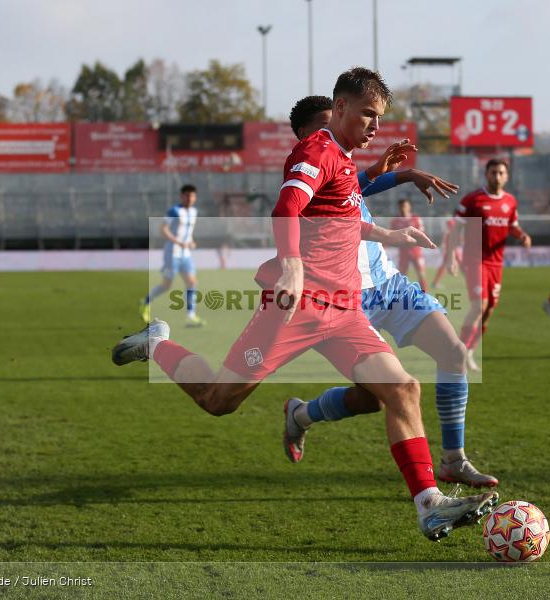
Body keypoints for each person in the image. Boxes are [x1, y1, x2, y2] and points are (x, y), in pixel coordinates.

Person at [112, 68, 497, 541]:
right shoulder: (316, 150)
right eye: (368, 116)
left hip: (343, 308)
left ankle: (429, 504)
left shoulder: (343, 158)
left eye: (379, 118)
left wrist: (387, 233)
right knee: (217, 401)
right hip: (294, 307)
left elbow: (338, 219)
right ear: (339, 110)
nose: (375, 127)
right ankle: (157, 345)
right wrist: (292, 265)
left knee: (403, 389)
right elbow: (288, 207)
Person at [281, 94, 498, 488]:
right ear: (304, 134)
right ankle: (301, 414)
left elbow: (358, 186)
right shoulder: (306, 168)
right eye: (324, 126)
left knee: (453, 352)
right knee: (373, 399)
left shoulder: (340, 164)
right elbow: (296, 208)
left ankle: (454, 460)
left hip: (388, 284)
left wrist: (402, 174)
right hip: (345, 299)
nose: (335, 133)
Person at [445, 160, 531, 372]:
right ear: (487, 174)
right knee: (479, 305)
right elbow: (456, 229)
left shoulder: (510, 201)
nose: (497, 176)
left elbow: (513, 225)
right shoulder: (473, 200)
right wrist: (451, 256)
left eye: (501, 173)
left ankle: (471, 350)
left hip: (496, 262)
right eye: (494, 172)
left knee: (489, 309)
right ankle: (458, 353)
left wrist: (522, 236)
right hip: (475, 259)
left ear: (507, 176)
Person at [140, 184, 204, 327]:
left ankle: (191, 317)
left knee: (192, 282)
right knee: (166, 285)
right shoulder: (174, 211)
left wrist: (191, 242)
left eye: (192, 196)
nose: (190, 198)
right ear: (181, 196)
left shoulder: (194, 211)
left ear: (195, 197)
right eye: (187, 195)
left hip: (185, 254)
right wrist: (178, 242)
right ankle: (146, 301)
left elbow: (188, 232)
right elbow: (162, 229)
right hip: (172, 254)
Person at [389, 199, 428, 291]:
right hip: (403, 252)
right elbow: (390, 235)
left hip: (416, 251)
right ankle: (400, 295)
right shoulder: (395, 221)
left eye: (405, 206)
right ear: (398, 207)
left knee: (421, 274)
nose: (403, 208)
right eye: (401, 206)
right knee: (402, 276)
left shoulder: (415, 219)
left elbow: (422, 233)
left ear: (409, 207)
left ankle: (425, 295)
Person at [430, 218, 461, 289]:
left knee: (445, 267)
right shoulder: (450, 233)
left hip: (452, 251)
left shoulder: (449, 233)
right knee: (444, 267)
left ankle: (435, 282)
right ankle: (435, 283)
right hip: (450, 252)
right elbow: (446, 243)